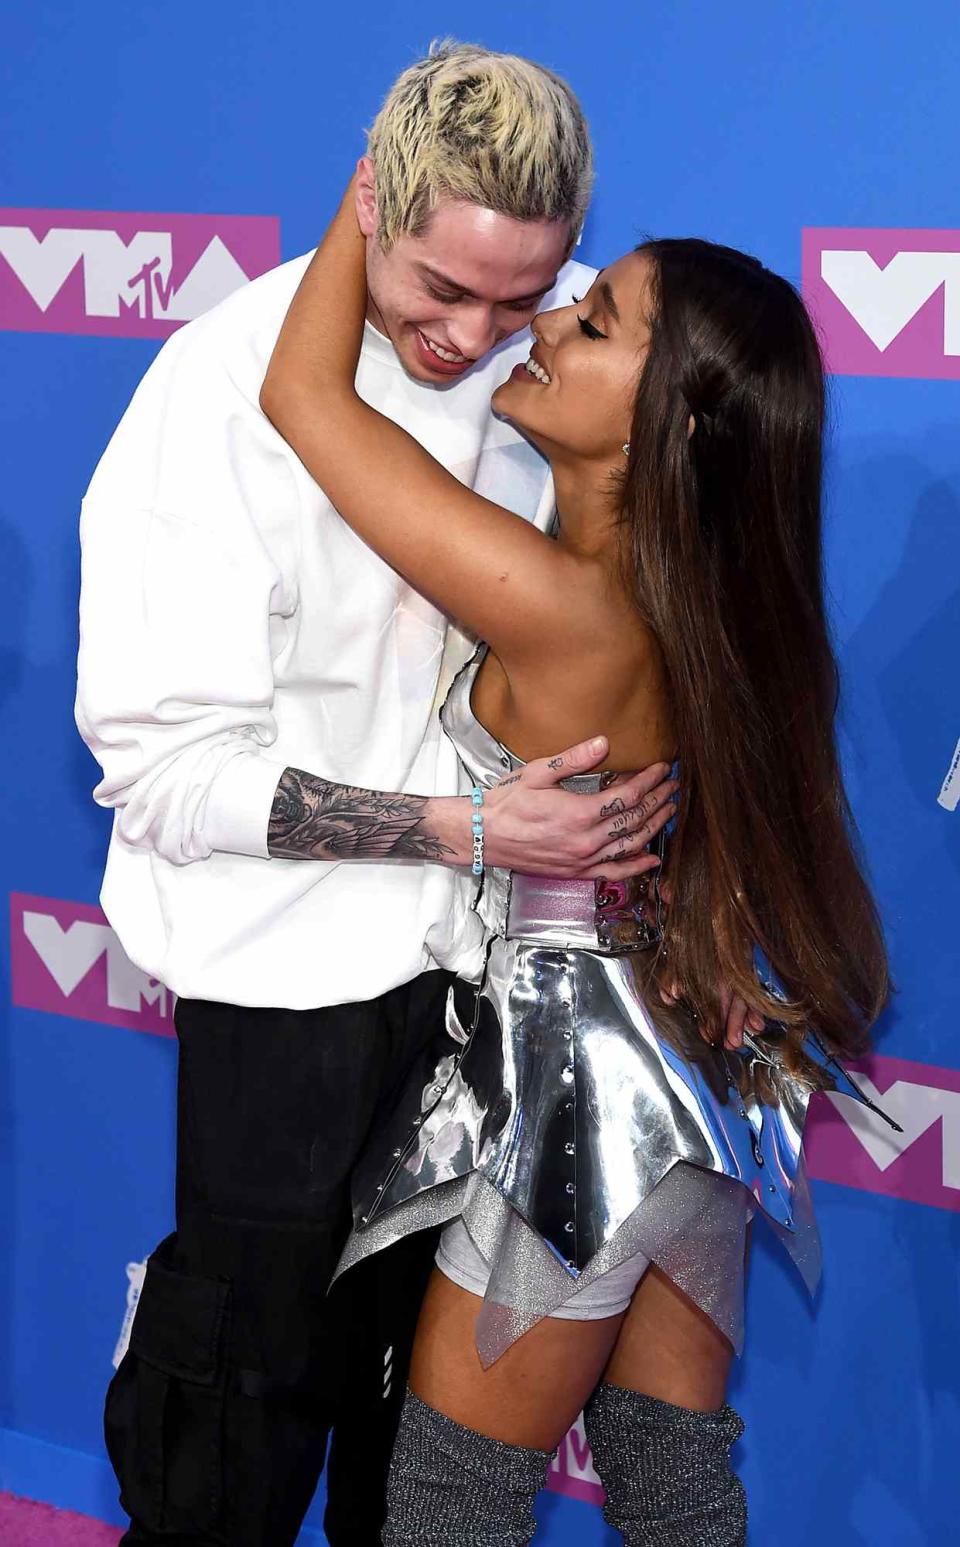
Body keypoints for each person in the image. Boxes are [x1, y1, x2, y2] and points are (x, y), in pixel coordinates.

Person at [75, 43, 681, 1547]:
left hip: (495, 1000)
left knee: (422, 1469)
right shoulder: (220, 394)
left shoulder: (579, 349)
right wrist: (462, 827)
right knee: (236, 1425)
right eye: (437, 289)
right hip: (286, 1005)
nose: (478, 334)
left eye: (522, 293)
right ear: (369, 199)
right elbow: (165, 779)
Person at [258, 182, 894, 1545]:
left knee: (446, 1509)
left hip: (577, 1117)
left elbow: (306, 400)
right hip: (689, 1096)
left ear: (673, 419)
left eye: (594, 322)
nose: (546, 322)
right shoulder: (688, 600)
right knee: (673, 1486)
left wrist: (378, 192)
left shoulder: (564, 608)